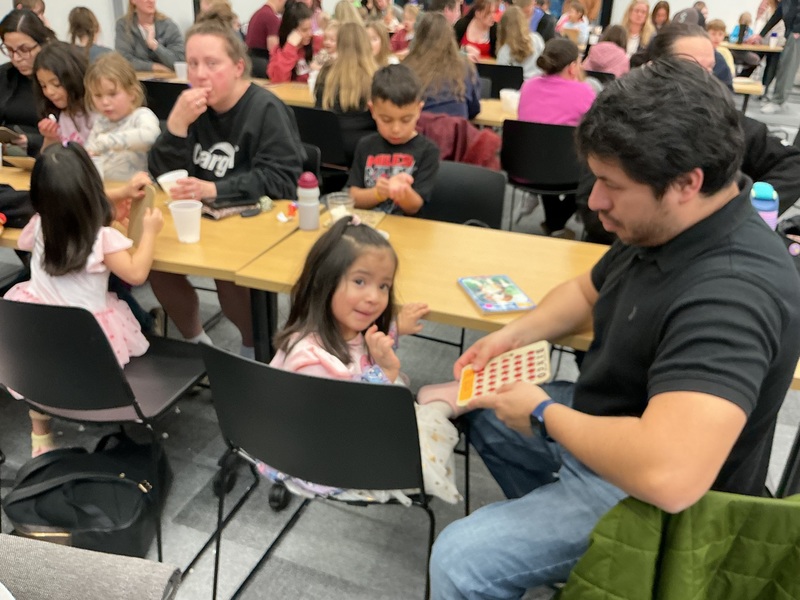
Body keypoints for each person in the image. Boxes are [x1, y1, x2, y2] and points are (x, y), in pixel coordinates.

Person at [429, 57, 800, 598]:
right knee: (486, 415)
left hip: (655, 494)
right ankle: (595, 565)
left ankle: (619, 560)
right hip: (610, 424)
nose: (595, 202)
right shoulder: (669, 222)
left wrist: (542, 412)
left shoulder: (732, 295)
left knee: (461, 560)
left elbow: (669, 476)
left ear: (685, 183)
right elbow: (587, 289)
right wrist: (514, 335)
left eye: (610, 185)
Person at [268, 215, 460, 504]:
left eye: (384, 286)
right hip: (333, 464)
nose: (374, 297)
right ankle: (439, 403)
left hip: (333, 440)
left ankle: (437, 401)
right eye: (360, 281)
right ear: (324, 281)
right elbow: (349, 417)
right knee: (430, 428)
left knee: (421, 410)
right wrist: (385, 372)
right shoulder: (311, 361)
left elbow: (360, 349)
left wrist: (394, 330)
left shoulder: (334, 330)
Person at [148, 10, 304, 357]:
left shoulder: (266, 110)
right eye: (192, 64)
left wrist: (213, 189)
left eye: (212, 63)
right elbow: (160, 172)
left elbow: (282, 179)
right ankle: (196, 344)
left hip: (252, 224)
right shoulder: (190, 109)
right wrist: (175, 125)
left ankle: (256, 350)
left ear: (237, 67)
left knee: (228, 274)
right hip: (199, 219)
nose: (200, 74)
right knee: (154, 262)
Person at [577, 21, 800, 244]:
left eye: (710, 69)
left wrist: (742, 211)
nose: (705, 79)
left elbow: (792, 165)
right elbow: (594, 213)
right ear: (656, 69)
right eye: (691, 67)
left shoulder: (728, 124)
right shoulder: (617, 125)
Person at [5, 142, 163, 456]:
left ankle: (40, 436)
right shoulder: (103, 238)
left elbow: (67, 205)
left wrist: (119, 195)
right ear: (92, 187)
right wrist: (150, 232)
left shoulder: (39, 226)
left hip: (40, 338)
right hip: (88, 341)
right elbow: (136, 274)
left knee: (42, 372)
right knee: (137, 320)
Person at [518, 37, 595, 235]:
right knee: (593, 168)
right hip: (568, 172)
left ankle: (554, 223)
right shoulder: (585, 92)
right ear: (572, 67)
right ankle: (556, 223)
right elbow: (596, 129)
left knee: (546, 153)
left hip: (526, 167)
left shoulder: (528, 86)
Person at [347, 64, 439, 216]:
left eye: (406, 120)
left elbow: (415, 206)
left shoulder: (428, 151)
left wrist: (401, 191)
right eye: (386, 120)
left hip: (408, 230)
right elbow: (353, 196)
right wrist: (378, 193)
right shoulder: (366, 145)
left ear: (419, 110)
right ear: (373, 111)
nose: (396, 129)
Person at [85, 52, 161, 183]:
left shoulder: (141, 115)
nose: (105, 102)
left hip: (137, 193)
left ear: (132, 93)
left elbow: (151, 137)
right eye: (98, 96)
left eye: (112, 94)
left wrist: (107, 141)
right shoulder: (100, 122)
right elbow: (90, 153)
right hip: (109, 192)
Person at [314, 22, 377, 165]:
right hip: (365, 151)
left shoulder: (326, 73)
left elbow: (318, 112)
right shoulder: (376, 76)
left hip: (328, 148)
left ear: (340, 44)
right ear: (365, 43)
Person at [0, 9, 57, 157]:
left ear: (42, 43)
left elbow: (74, 133)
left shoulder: (60, 76)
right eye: (9, 50)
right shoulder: (5, 75)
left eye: (24, 50)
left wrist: (32, 141)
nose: (17, 58)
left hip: (50, 159)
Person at [405, 13, 482, 119]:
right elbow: (474, 109)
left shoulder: (406, 68)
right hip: (455, 132)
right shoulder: (466, 68)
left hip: (418, 130)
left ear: (418, 38)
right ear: (451, 38)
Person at [32, 42, 93, 150]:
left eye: (56, 84)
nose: (49, 92)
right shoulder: (62, 116)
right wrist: (50, 138)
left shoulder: (97, 111)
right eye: (43, 86)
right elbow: (48, 161)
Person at [114, 0, 185, 73]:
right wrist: (154, 67)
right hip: (137, 81)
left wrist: (155, 46)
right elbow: (123, 60)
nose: (151, 1)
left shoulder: (168, 26)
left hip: (169, 81)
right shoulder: (124, 26)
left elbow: (179, 61)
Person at [757, 0, 800, 114]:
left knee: (787, 67)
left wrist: (797, 30)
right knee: (784, 67)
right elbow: (776, 16)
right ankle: (779, 99)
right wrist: (761, 35)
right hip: (791, 33)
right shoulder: (785, 2)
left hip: (796, 33)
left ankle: (778, 101)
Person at [267, 1, 321, 83]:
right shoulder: (279, 51)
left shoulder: (318, 42)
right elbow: (279, 81)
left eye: (311, 28)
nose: (309, 33)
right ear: (291, 30)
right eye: (304, 30)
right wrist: (290, 47)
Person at [497, 5, 545, 79]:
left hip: (515, 87)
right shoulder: (537, 39)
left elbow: (501, 76)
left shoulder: (504, 51)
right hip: (538, 84)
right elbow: (545, 63)